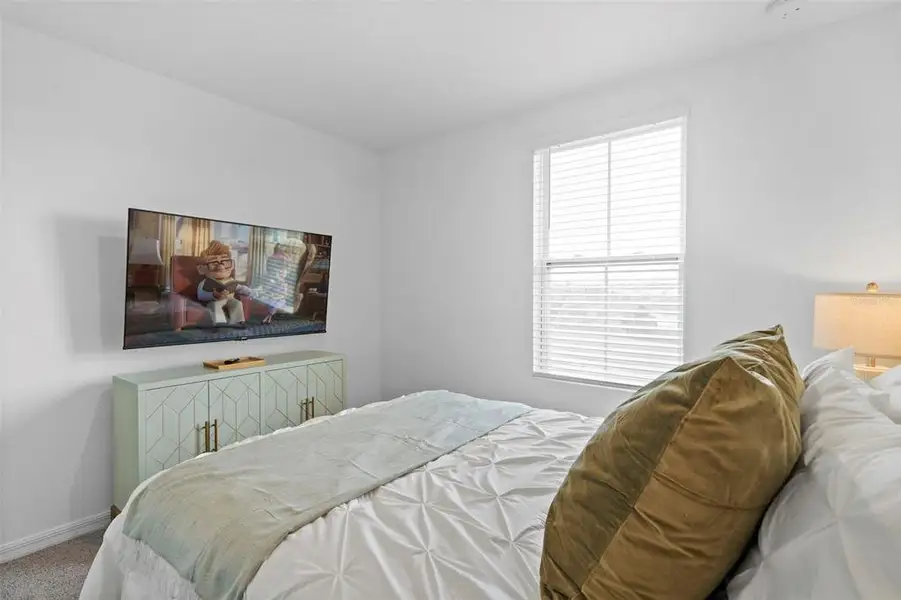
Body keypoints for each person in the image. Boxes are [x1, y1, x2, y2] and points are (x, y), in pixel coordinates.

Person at [196, 240, 251, 325]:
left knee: (237, 303)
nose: (221, 266)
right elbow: (201, 295)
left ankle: (238, 321)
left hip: (229, 299)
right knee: (215, 305)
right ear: (201, 269)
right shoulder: (206, 282)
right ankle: (220, 323)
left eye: (225, 262)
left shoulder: (230, 280)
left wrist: (250, 292)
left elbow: (240, 288)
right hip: (213, 301)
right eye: (214, 263)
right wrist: (213, 295)